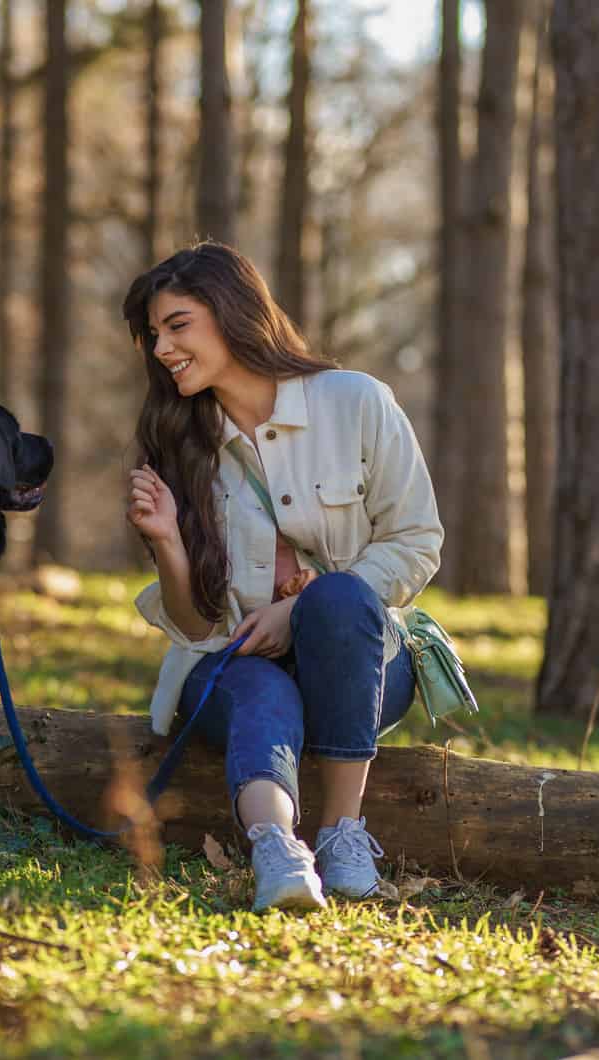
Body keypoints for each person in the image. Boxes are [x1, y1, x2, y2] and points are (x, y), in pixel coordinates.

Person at [123, 242, 443, 912]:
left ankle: (342, 834)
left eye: (177, 325)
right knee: (257, 688)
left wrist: (298, 612)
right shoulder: (181, 441)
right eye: (153, 334)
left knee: (337, 598)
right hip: (234, 666)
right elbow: (194, 625)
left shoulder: (355, 401)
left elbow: (416, 541)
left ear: (233, 313)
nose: (161, 348)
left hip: (361, 665)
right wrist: (169, 547)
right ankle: (277, 850)